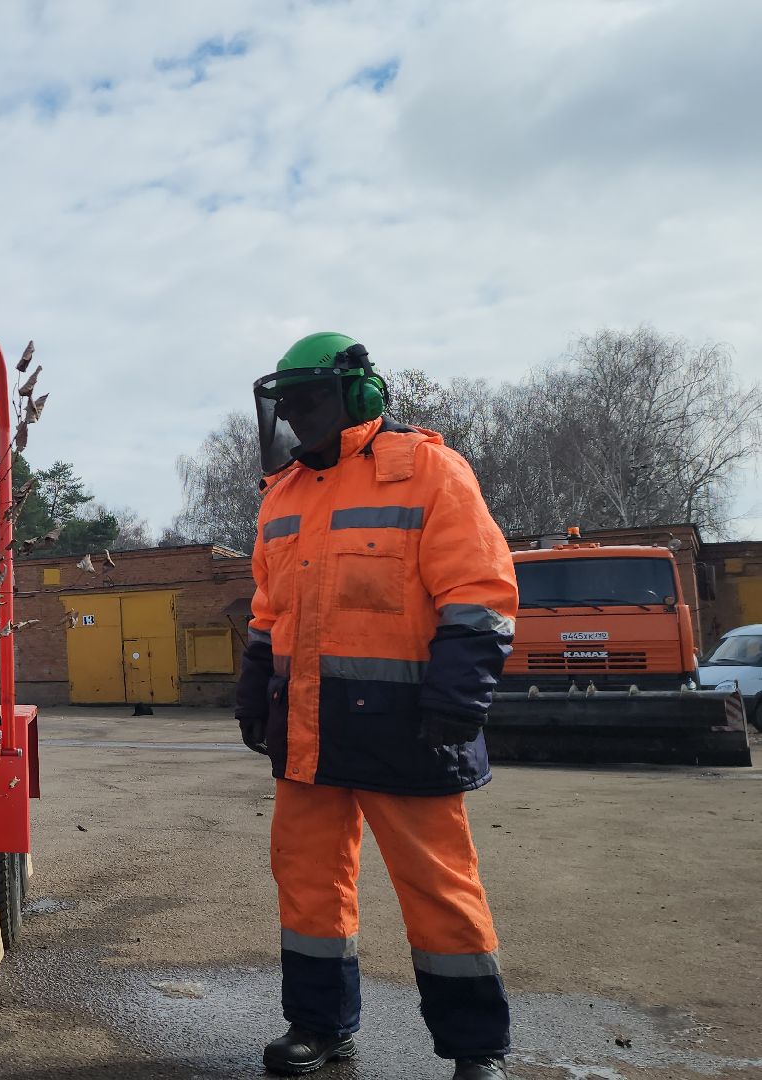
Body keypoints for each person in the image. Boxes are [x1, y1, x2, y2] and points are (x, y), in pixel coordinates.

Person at [236, 332, 518, 1080]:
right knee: (307, 883)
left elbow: (480, 598)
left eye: (311, 402)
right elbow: (268, 611)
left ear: (359, 396)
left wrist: (459, 702)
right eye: (288, 407)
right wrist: (252, 684)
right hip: (307, 733)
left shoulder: (428, 473)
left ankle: (476, 1049)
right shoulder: (282, 494)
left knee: (439, 890)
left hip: (412, 727)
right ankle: (318, 1027)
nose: (298, 419)